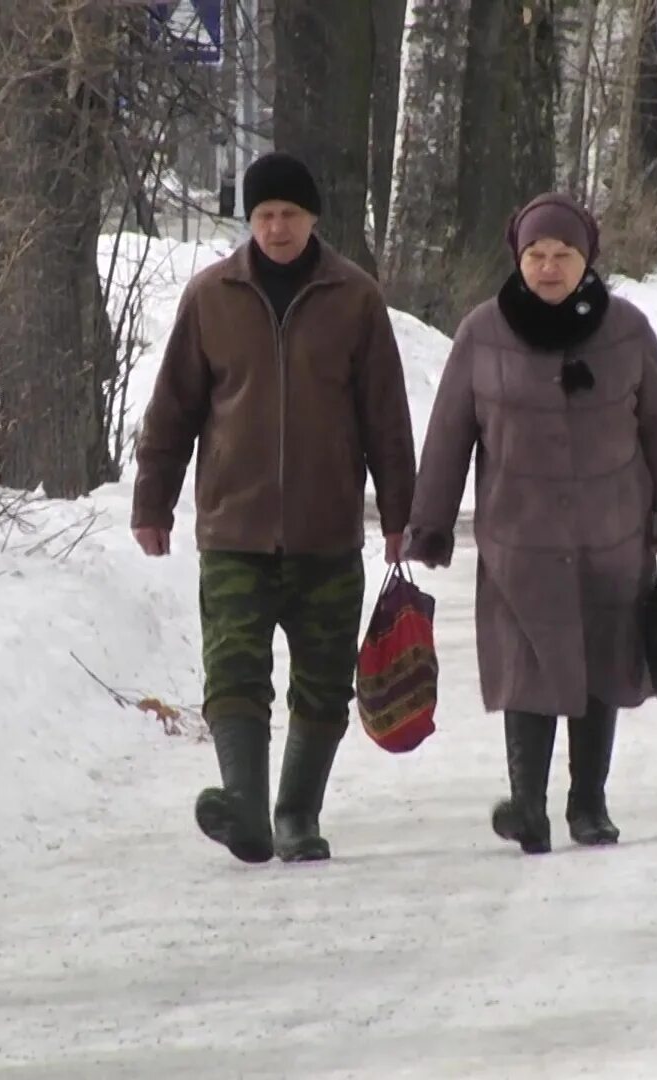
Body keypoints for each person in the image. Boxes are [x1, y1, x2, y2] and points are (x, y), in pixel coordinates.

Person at [130, 151, 418, 865]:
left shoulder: (354, 298)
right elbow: (173, 412)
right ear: (248, 220)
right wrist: (153, 503)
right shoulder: (211, 297)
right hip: (235, 527)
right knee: (234, 673)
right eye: (264, 215)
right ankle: (247, 813)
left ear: (313, 218)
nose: (278, 227)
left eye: (290, 214)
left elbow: (386, 416)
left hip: (326, 533)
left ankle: (295, 815)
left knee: (322, 682)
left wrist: (399, 513)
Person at [405, 193, 657, 855]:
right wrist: (430, 522)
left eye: (561, 255)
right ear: (518, 257)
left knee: (602, 669)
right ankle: (529, 806)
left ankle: (588, 803)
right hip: (519, 540)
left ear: (585, 259)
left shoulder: (626, 330)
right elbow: (449, 434)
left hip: (613, 534)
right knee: (526, 668)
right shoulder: (483, 332)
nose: (547, 267)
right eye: (535, 255)